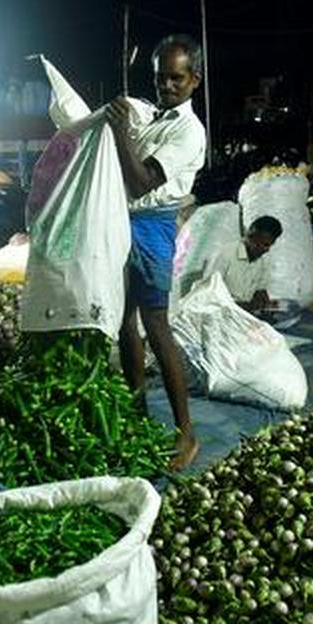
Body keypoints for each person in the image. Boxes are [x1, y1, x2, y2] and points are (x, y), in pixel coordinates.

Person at [106, 34, 207, 471]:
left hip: (152, 227)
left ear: (194, 80)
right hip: (121, 223)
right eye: (160, 78)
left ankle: (186, 433)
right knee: (126, 322)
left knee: (156, 324)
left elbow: (142, 181)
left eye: (176, 78)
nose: (167, 85)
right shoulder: (153, 117)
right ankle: (137, 414)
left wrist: (117, 132)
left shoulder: (188, 130)